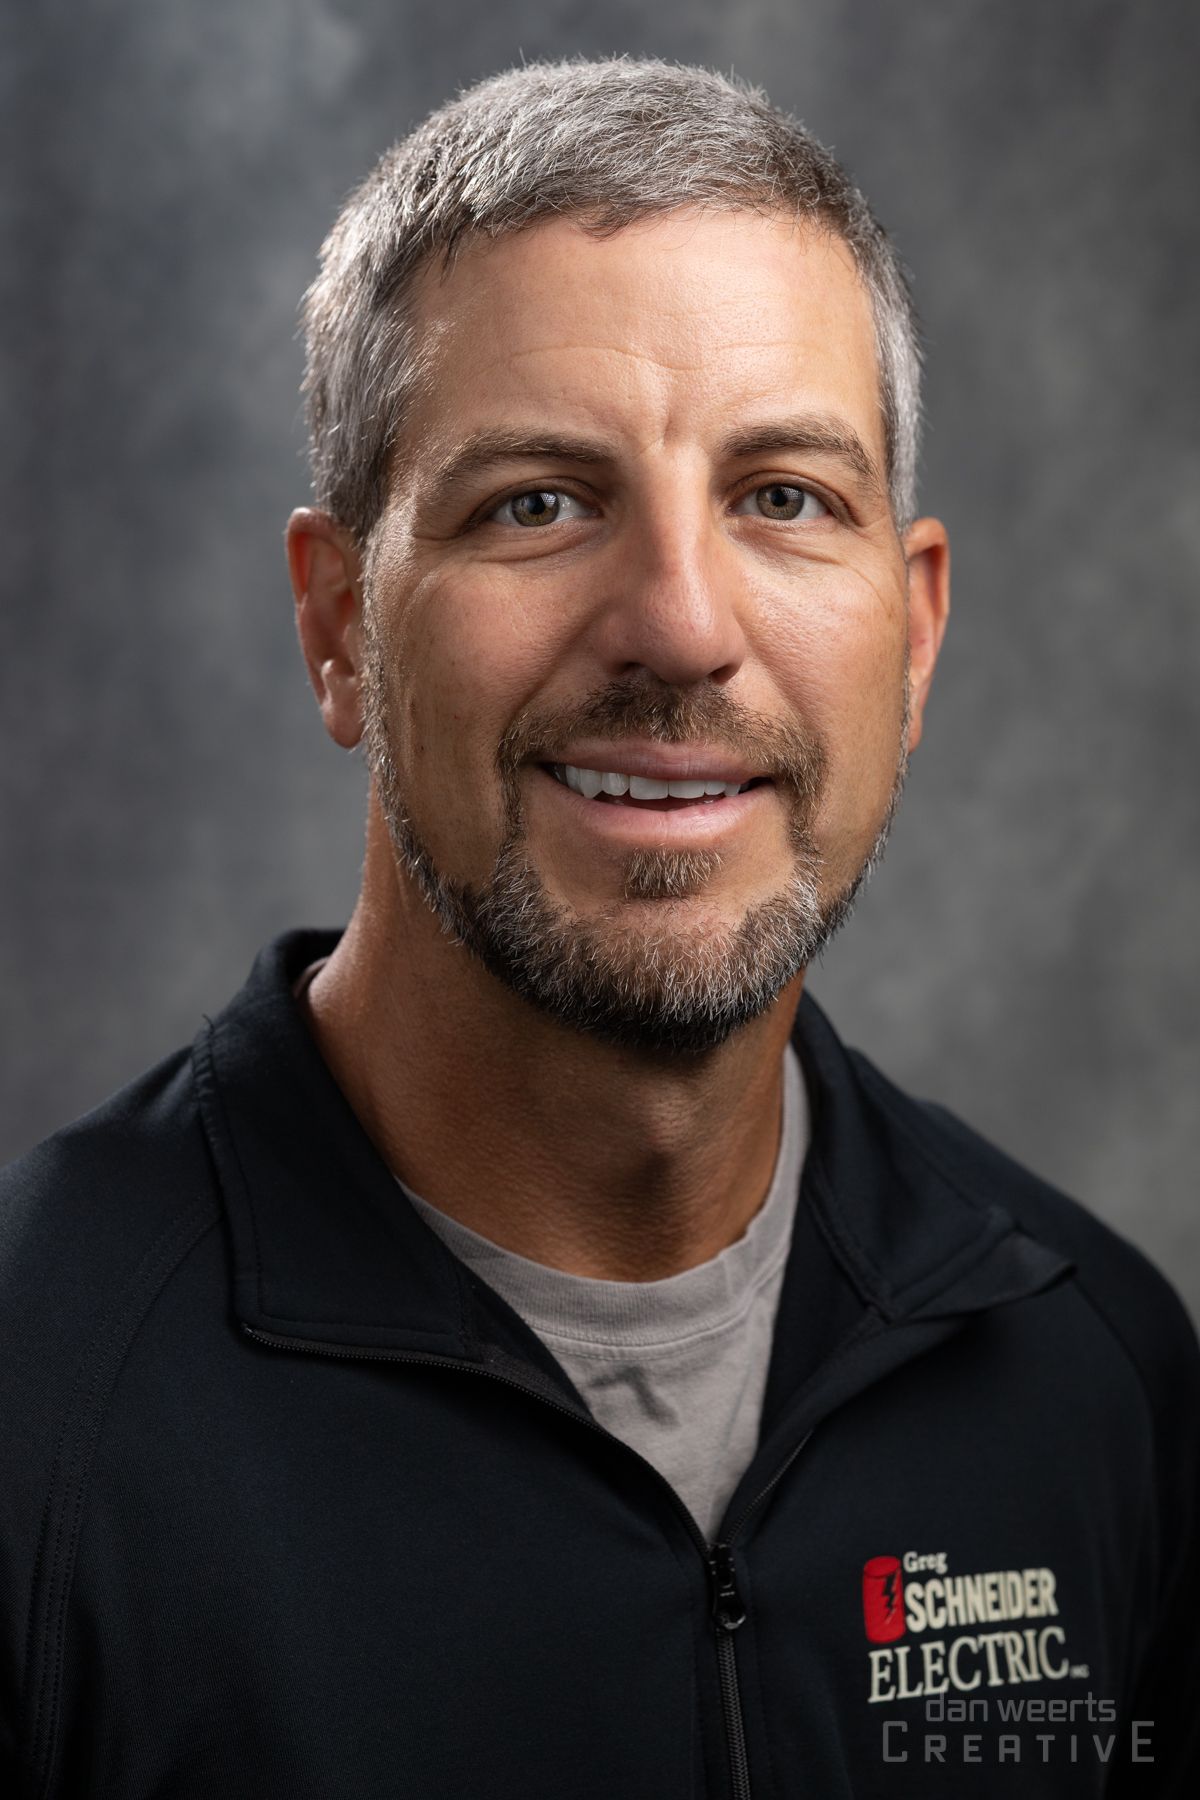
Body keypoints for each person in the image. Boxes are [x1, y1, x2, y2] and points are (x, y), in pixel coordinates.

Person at [1, 56, 1196, 1799]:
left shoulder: (1098, 1380)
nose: (682, 624)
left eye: (785, 495)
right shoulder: (37, 1405)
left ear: (915, 635)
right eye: (537, 503)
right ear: (339, 624)